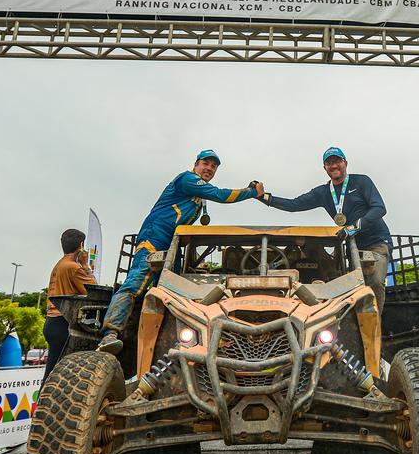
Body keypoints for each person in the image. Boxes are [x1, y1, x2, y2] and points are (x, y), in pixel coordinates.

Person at [99, 150, 263, 353]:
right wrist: (252, 192)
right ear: (196, 164)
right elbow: (220, 195)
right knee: (135, 283)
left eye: (213, 166)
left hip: (173, 246)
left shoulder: (198, 197)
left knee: (174, 295)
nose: (209, 168)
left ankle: (170, 344)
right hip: (154, 238)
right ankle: (109, 334)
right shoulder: (188, 179)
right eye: (206, 163)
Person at [259, 147, 391, 311]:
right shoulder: (323, 192)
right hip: (352, 247)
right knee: (353, 287)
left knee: (375, 282)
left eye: (337, 161)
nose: (334, 165)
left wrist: (354, 227)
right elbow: (294, 205)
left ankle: (374, 325)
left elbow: (379, 208)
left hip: (376, 242)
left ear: (345, 163)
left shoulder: (361, 181)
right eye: (329, 163)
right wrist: (263, 197)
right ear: (325, 168)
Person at [43, 228, 97, 381]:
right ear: (81, 246)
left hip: (53, 321)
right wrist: (85, 265)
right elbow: (93, 289)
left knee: (53, 372)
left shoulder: (60, 264)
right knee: (61, 376)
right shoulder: (73, 267)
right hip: (63, 322)